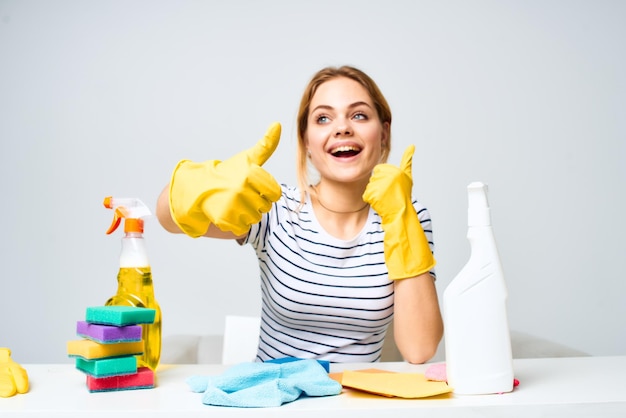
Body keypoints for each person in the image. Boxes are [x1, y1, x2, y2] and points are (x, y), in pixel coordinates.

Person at [156, 65, 443, 364]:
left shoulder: (409, 215)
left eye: (359, 115)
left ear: (383, 133)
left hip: (356, 405)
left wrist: (400, 217)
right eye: (323, 118)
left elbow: (419, 349)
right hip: (276, 404)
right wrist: (209, 182)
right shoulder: (275, 206)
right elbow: (165, 217)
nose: (342, 128)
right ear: (306, 141)